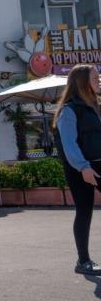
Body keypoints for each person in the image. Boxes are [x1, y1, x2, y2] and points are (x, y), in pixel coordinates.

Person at [53, 64, 101, 275]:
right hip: (81, 167)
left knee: (85, 210)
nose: (99, 80)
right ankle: (83, 261)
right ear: (82, 81)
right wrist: (83, 167)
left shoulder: (96, 106)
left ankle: (83, 261)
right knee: (84, 211)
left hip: (98, 163)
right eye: (95, 77)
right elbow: (69, 143)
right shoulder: (69, 110)